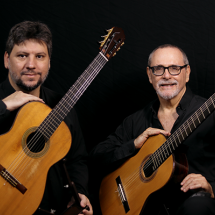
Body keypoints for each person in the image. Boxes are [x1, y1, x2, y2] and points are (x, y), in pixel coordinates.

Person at [90, 44, 215, 214]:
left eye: (174, 68)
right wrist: (134, 144)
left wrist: (211, 187)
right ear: (150, 75)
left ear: (187, 73)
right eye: (158, 69)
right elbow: (97, 157)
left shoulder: (210, 113)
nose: (166, 75)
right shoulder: (136, 121)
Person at [0, 21, 93, 215]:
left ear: (49, 62)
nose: (31, 65)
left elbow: (78, 160)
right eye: (22, 56)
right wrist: (4, 105)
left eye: (40, 56)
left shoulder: (63, 106)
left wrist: (80, 193)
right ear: (7, 59)